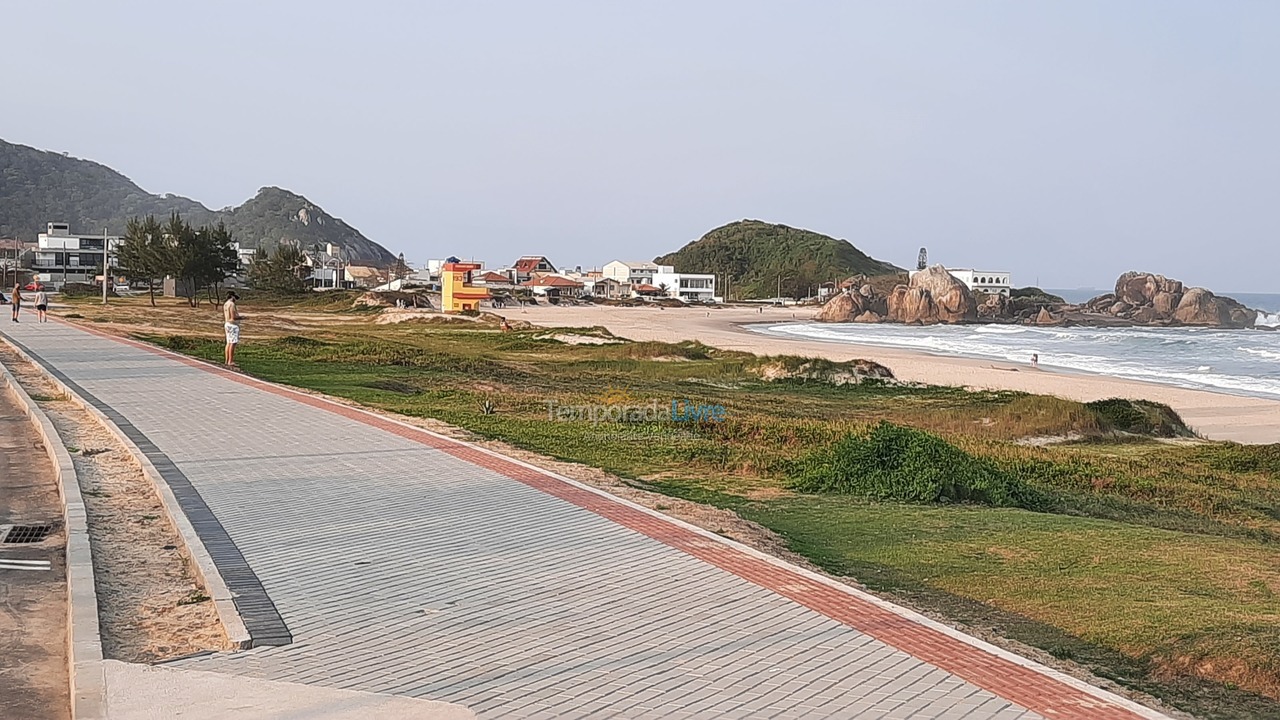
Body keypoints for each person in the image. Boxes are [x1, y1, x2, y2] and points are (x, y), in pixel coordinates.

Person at [223, 291, 242, 368]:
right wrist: (241, 317)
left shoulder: (225, 304)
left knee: (228, 342)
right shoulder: (231, 304)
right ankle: (230, 361)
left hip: (227, 323)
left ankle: (227, 360)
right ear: (232, 296)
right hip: (233, 324)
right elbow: (233, 317)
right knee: (233, 343)